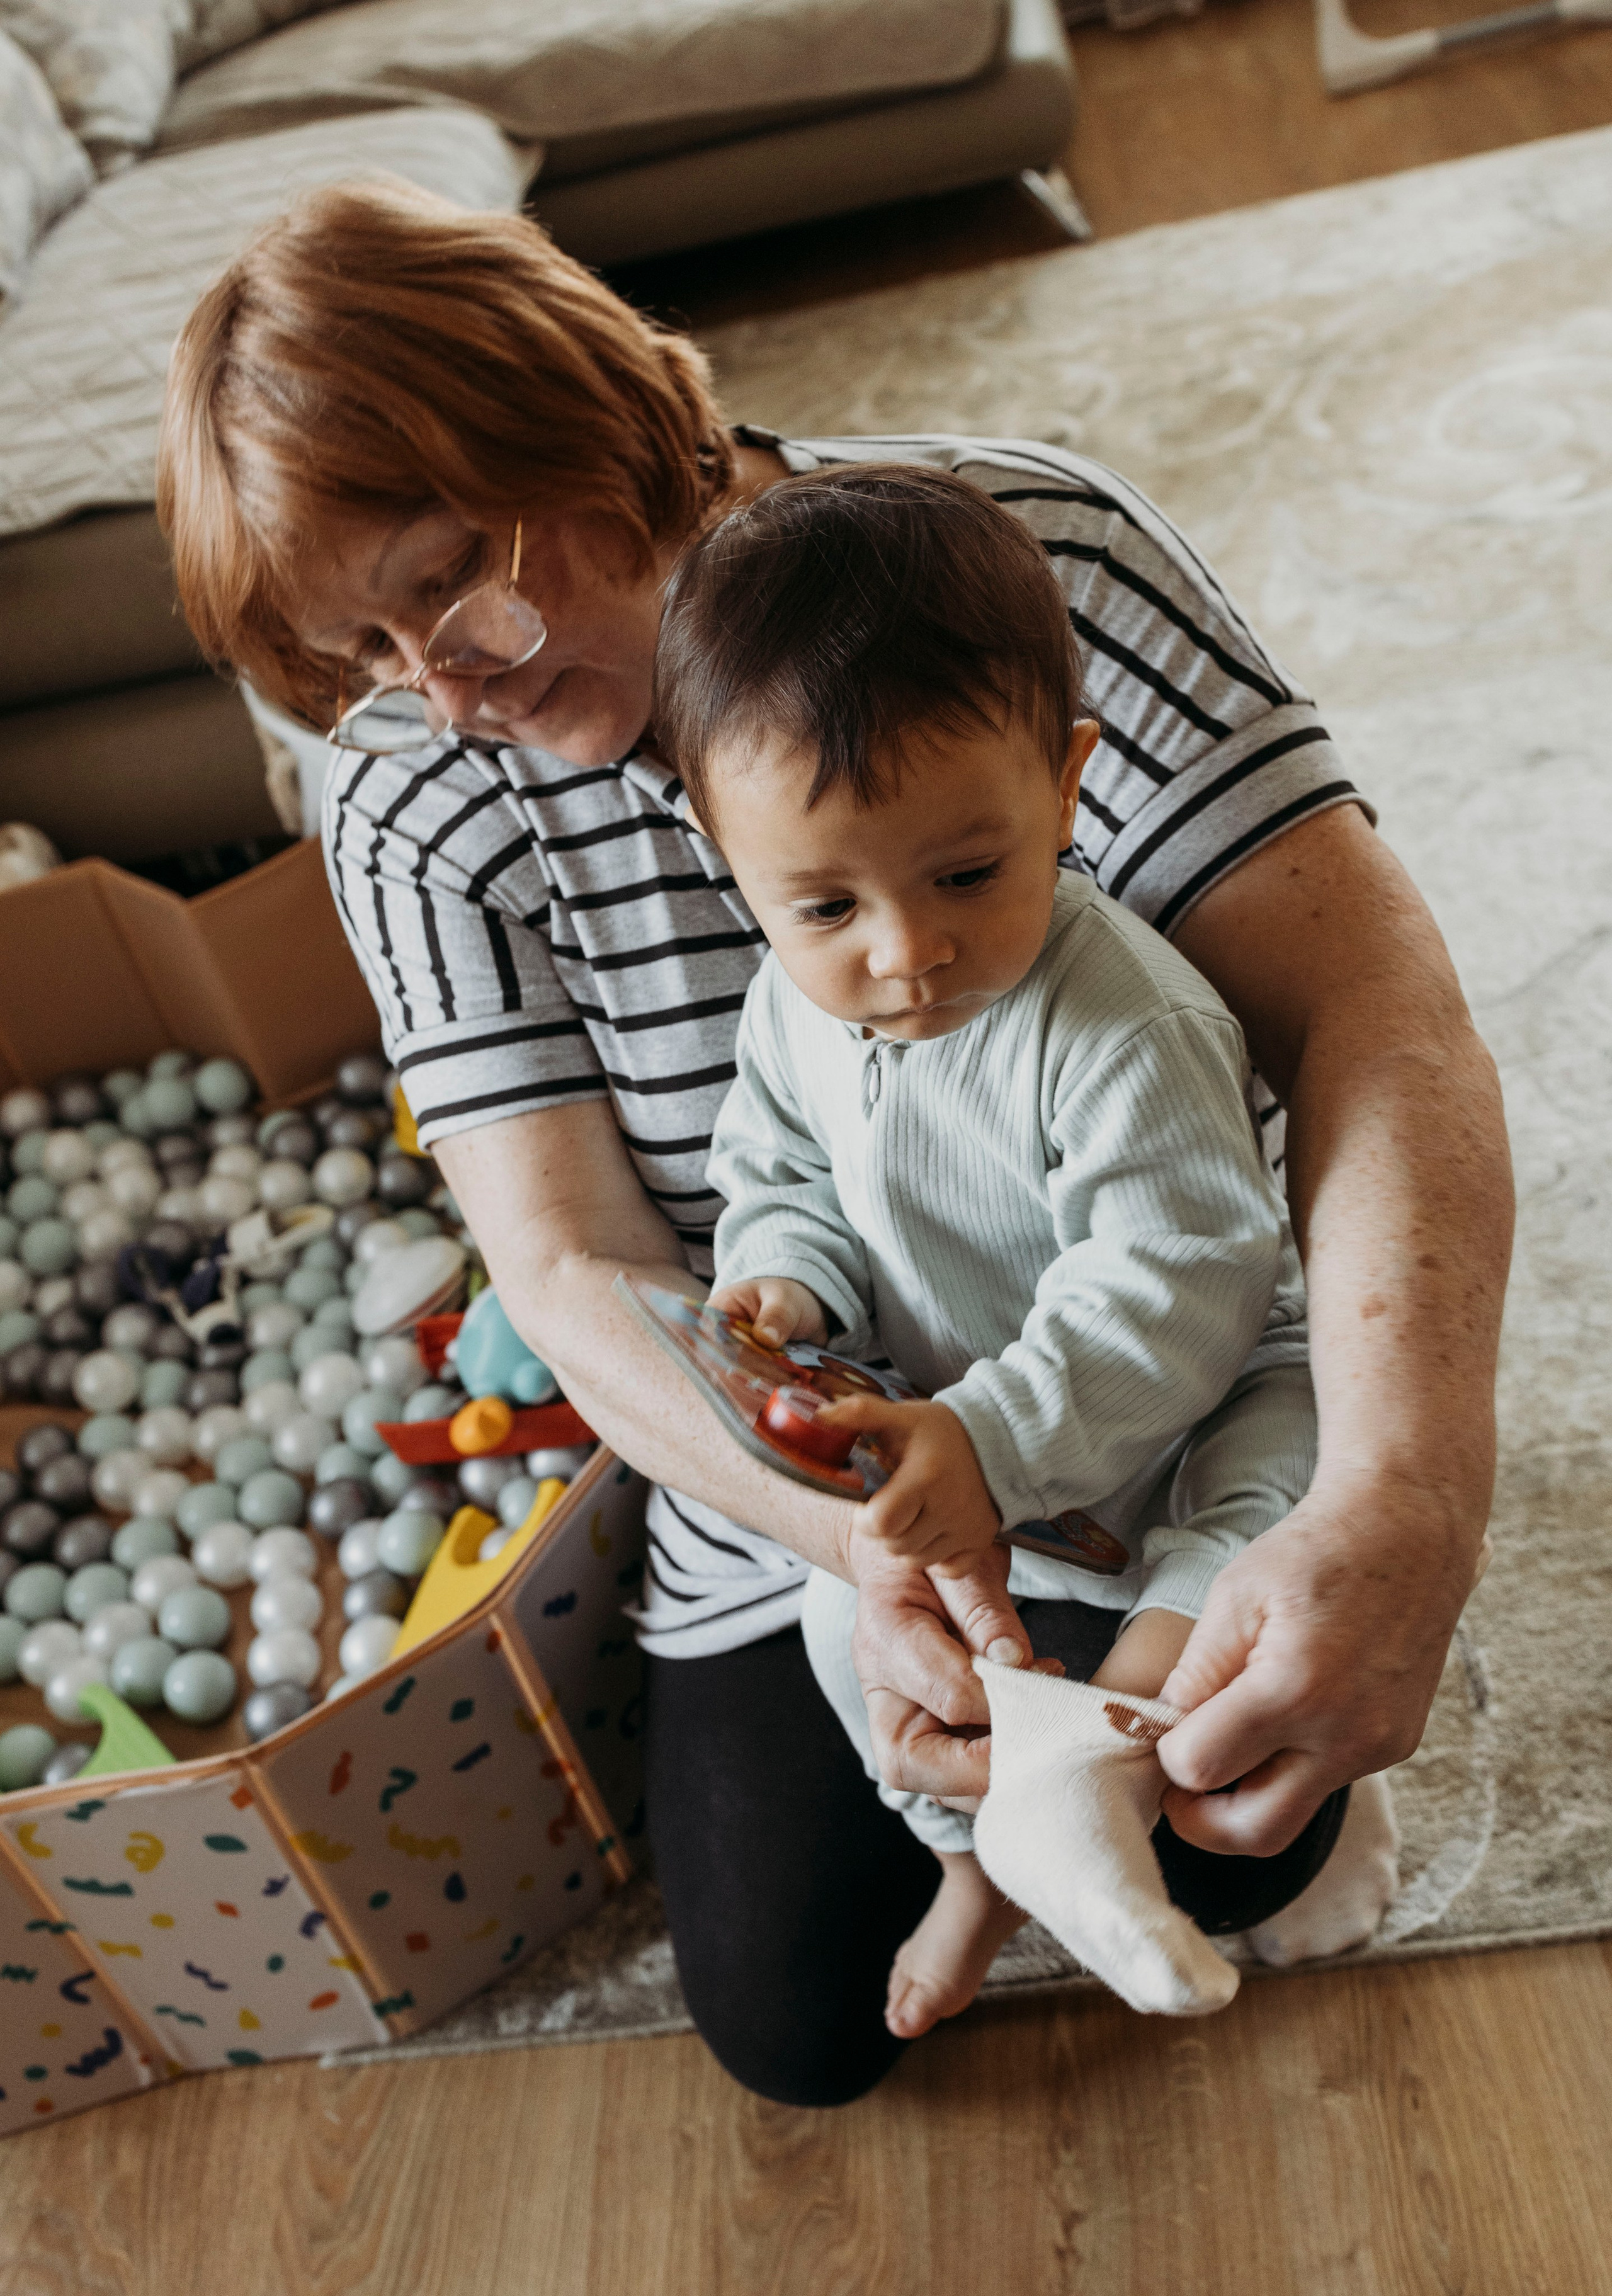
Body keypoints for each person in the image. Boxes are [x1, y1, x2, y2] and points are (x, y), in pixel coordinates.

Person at [156, 178, 1513, 2108]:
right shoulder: (417, 783)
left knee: (1247, 1805)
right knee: (797, 2015)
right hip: (848, 1449)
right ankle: (1011, 1819)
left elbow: (1380, 1017)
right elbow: (577, 1260)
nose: (446, 697)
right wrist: (868, 1535)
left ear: (590, 417)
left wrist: (1409, 1487)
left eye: (454, 582)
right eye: (365, 654)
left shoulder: (1013, 558)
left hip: (1156, 1363)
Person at [672, 462, 1327, 2025]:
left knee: (1265, 1522)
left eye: (966, 873)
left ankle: (1090, 1772)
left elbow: (1178, 1283)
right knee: (838, 1604)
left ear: (1065, 784)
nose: (905, 955)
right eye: (823, 905)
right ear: (731, 863)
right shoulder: (791, 1001)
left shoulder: (1124, 1023)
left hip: (1188, 1398)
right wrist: (784, 1274)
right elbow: (773, 1166)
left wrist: (991, 1432)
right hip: (957, 1433)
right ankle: (981, 1844)